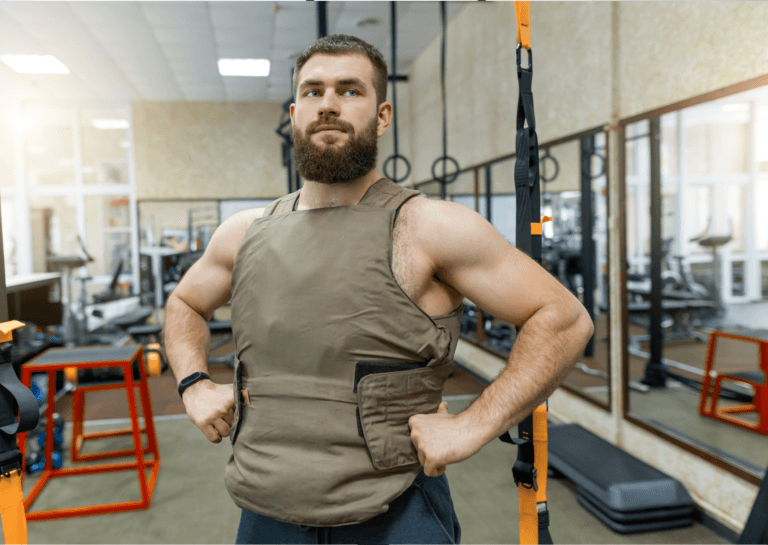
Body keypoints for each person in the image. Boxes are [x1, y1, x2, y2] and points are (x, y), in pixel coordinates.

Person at [164, 34, 594, 545]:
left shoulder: (429, 226)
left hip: (394, 511)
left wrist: (473, 426)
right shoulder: (243, 232)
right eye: (312, 91)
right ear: (295, 112)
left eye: (349, 90)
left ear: (382, 115)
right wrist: (192, 384)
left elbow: (564, 319)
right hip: (264, 509)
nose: (328, 104)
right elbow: (185, 303)